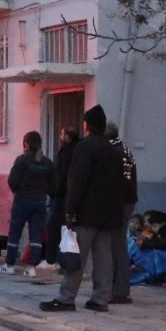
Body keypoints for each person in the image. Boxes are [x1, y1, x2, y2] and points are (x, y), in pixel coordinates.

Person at [41, 105, 126, 313]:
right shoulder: (114, 151)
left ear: (86, 126)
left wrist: (71, 210)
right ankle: (101, 299)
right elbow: (120, 184)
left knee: (75, 255)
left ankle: (66, 297)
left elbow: (76, 181)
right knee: (103, 257)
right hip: (108, 214)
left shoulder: (84, 148)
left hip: (86, 213)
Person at [0, 131, 55, 278]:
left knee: (15, 232)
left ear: (26, 144)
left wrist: (18, 191)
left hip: (22, 200)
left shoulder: (22, 160)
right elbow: (54, 185)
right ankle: (31, 267)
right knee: (36, 235)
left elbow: (12, 180)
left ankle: (9, 265)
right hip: (39, 202)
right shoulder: (47, 163)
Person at [107, 121, 139, 304]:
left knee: (116, 246)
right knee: (119, 244)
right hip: (128, 201)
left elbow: (115, 181)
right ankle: (119, 288)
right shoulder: (125, 150)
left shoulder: (112, 153)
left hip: (119, 203)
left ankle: (118, 289)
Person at [43, 122, 80, 266]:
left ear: (68, 137)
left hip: (62, 196)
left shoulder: (66, 152)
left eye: (62, 134)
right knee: (66, 228)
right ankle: (64, 259)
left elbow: (62, 175)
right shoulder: (79, 150)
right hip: (72, 195)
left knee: (53, 226)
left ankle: (53, 259)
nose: (60, 137)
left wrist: (54, 192)